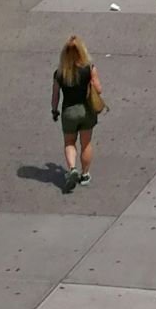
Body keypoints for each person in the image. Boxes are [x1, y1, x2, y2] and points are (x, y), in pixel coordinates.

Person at [50, 35, 104, 193]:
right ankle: (85, 174)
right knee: (86, 143)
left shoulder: (60, 73)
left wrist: (54, 110)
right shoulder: (89, 68)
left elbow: (55, 96)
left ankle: (72, 168)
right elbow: (99, 89)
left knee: (69, 143)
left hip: (69, 112)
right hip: (87, 110)